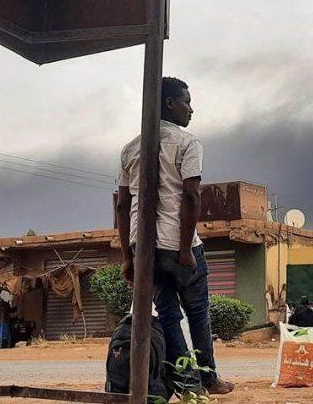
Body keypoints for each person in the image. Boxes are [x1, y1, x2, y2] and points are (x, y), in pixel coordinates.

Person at [116, 77, 234, 395]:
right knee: (197, 312)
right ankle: (208, 378)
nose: (191, 109)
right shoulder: (187, 143)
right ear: (169, 103)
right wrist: (184, 250)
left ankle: (188, 384)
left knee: (168, 313)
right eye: (187, 102)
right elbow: (191, 196)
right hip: (177, 242)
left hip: (143, 246)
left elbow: (123, 204)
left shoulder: (130, 149)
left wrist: (127, 256)